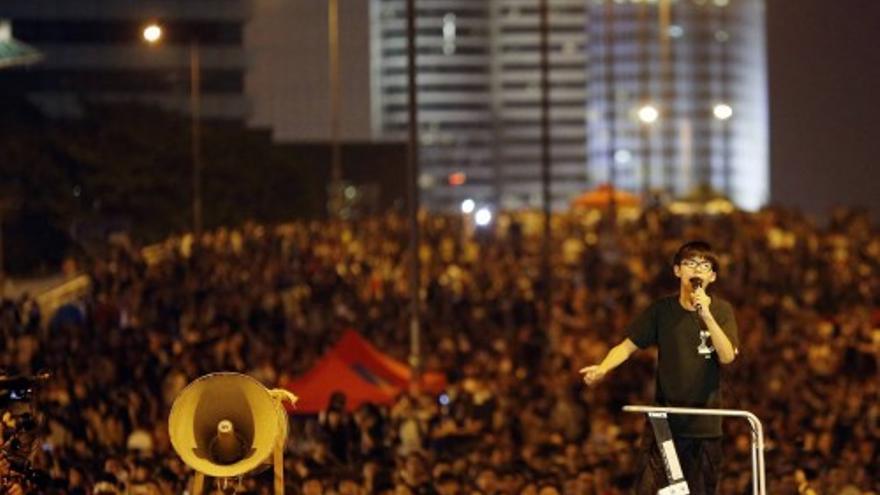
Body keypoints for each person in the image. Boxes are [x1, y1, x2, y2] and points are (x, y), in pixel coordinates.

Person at [580, 240, 739, 495]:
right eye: (690, 263)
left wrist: (706, 315)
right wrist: (603, 368)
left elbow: (727, 356)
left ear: (712, 276)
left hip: (704, 427)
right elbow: (626, 346)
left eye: (704, 265)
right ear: (677, 270)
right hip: (664, 424)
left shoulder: (721, 311)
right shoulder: (661, 311)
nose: (697, 269)